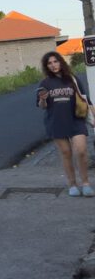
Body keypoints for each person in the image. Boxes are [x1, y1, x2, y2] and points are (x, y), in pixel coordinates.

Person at [37, 51, 94, 197]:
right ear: (46, 66)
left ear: (61, 62)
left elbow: (85, 99)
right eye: (49, 63)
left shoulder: (72, 79)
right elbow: (42, 106)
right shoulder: (45, 83)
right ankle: (72, 184)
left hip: (76, 120)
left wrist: (93, 116)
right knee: (66, 153)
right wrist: (43, 99)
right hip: (56, 122)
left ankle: (86, 183)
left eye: (55, 62)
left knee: (81, 151)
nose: (53, 65)